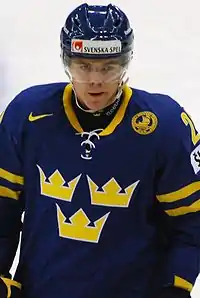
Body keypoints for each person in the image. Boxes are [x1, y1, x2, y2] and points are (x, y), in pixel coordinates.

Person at [0, 3, 199, 298]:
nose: (95, 80)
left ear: (126, 63)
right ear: (66, 61)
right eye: (84, 66)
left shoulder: (165, 126)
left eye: (108, 67)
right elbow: (3, 209)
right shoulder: (26, 116)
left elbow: (191, 221)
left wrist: (176, 286)